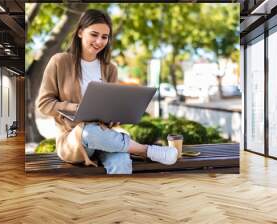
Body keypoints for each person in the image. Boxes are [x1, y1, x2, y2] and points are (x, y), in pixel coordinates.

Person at [36, 9, 178, 174]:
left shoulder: (110, 69)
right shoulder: (60, 61)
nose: (99, 41)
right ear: (80, 32)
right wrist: (76, 108)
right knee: (90, 132)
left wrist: (115, 115)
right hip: (74, 139)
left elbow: (111, 111)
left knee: (122, 162)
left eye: (104, 37)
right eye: (94, 34)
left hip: (106, 136)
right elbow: (44, 105)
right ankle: (146, 150)